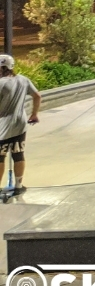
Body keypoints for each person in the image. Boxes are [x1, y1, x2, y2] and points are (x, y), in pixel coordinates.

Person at [0, 54, 42, 197]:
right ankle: (18, 186)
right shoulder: (23, 80)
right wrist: (34, 114)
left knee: (0, 157)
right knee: (18, 155)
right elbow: (37, 96)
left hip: (2, 125)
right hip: (20, 123)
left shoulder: (1, 83)